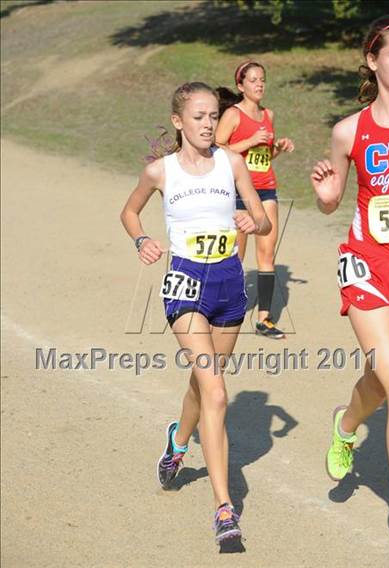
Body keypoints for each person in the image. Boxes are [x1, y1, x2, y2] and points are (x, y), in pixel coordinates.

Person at [120, 82, 271, 544]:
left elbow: (262, 219)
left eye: (212, 117)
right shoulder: (160, 172)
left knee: (203, 385)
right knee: (218, 393)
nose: (207, 124)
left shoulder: (233, 162)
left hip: (228, 285)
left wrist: (254, 220)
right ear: (178, 121)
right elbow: (129, 212)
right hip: (185, 284)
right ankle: (224, 510)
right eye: (199, 117)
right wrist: (143, 240)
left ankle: (177, 442)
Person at [310, 15, 389, 559]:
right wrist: (328, 195)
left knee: (379, 388)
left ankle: (346, 424)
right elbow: (332, 200)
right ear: (373, 61)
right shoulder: (349, 131)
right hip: (369, 270)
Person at [215, 61, 294, 339]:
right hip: (238, 190)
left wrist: (279, 149)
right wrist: (249, 140)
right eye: (253, 80)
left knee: (267, 252)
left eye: (262, 80)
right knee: (236, 254)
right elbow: (217, 149)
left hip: (266, 189)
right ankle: (226, 308)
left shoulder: (268, 114)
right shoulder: (233, 115)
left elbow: (265, 155)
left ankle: (264, 319)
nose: (259, 84)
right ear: (241, 86)